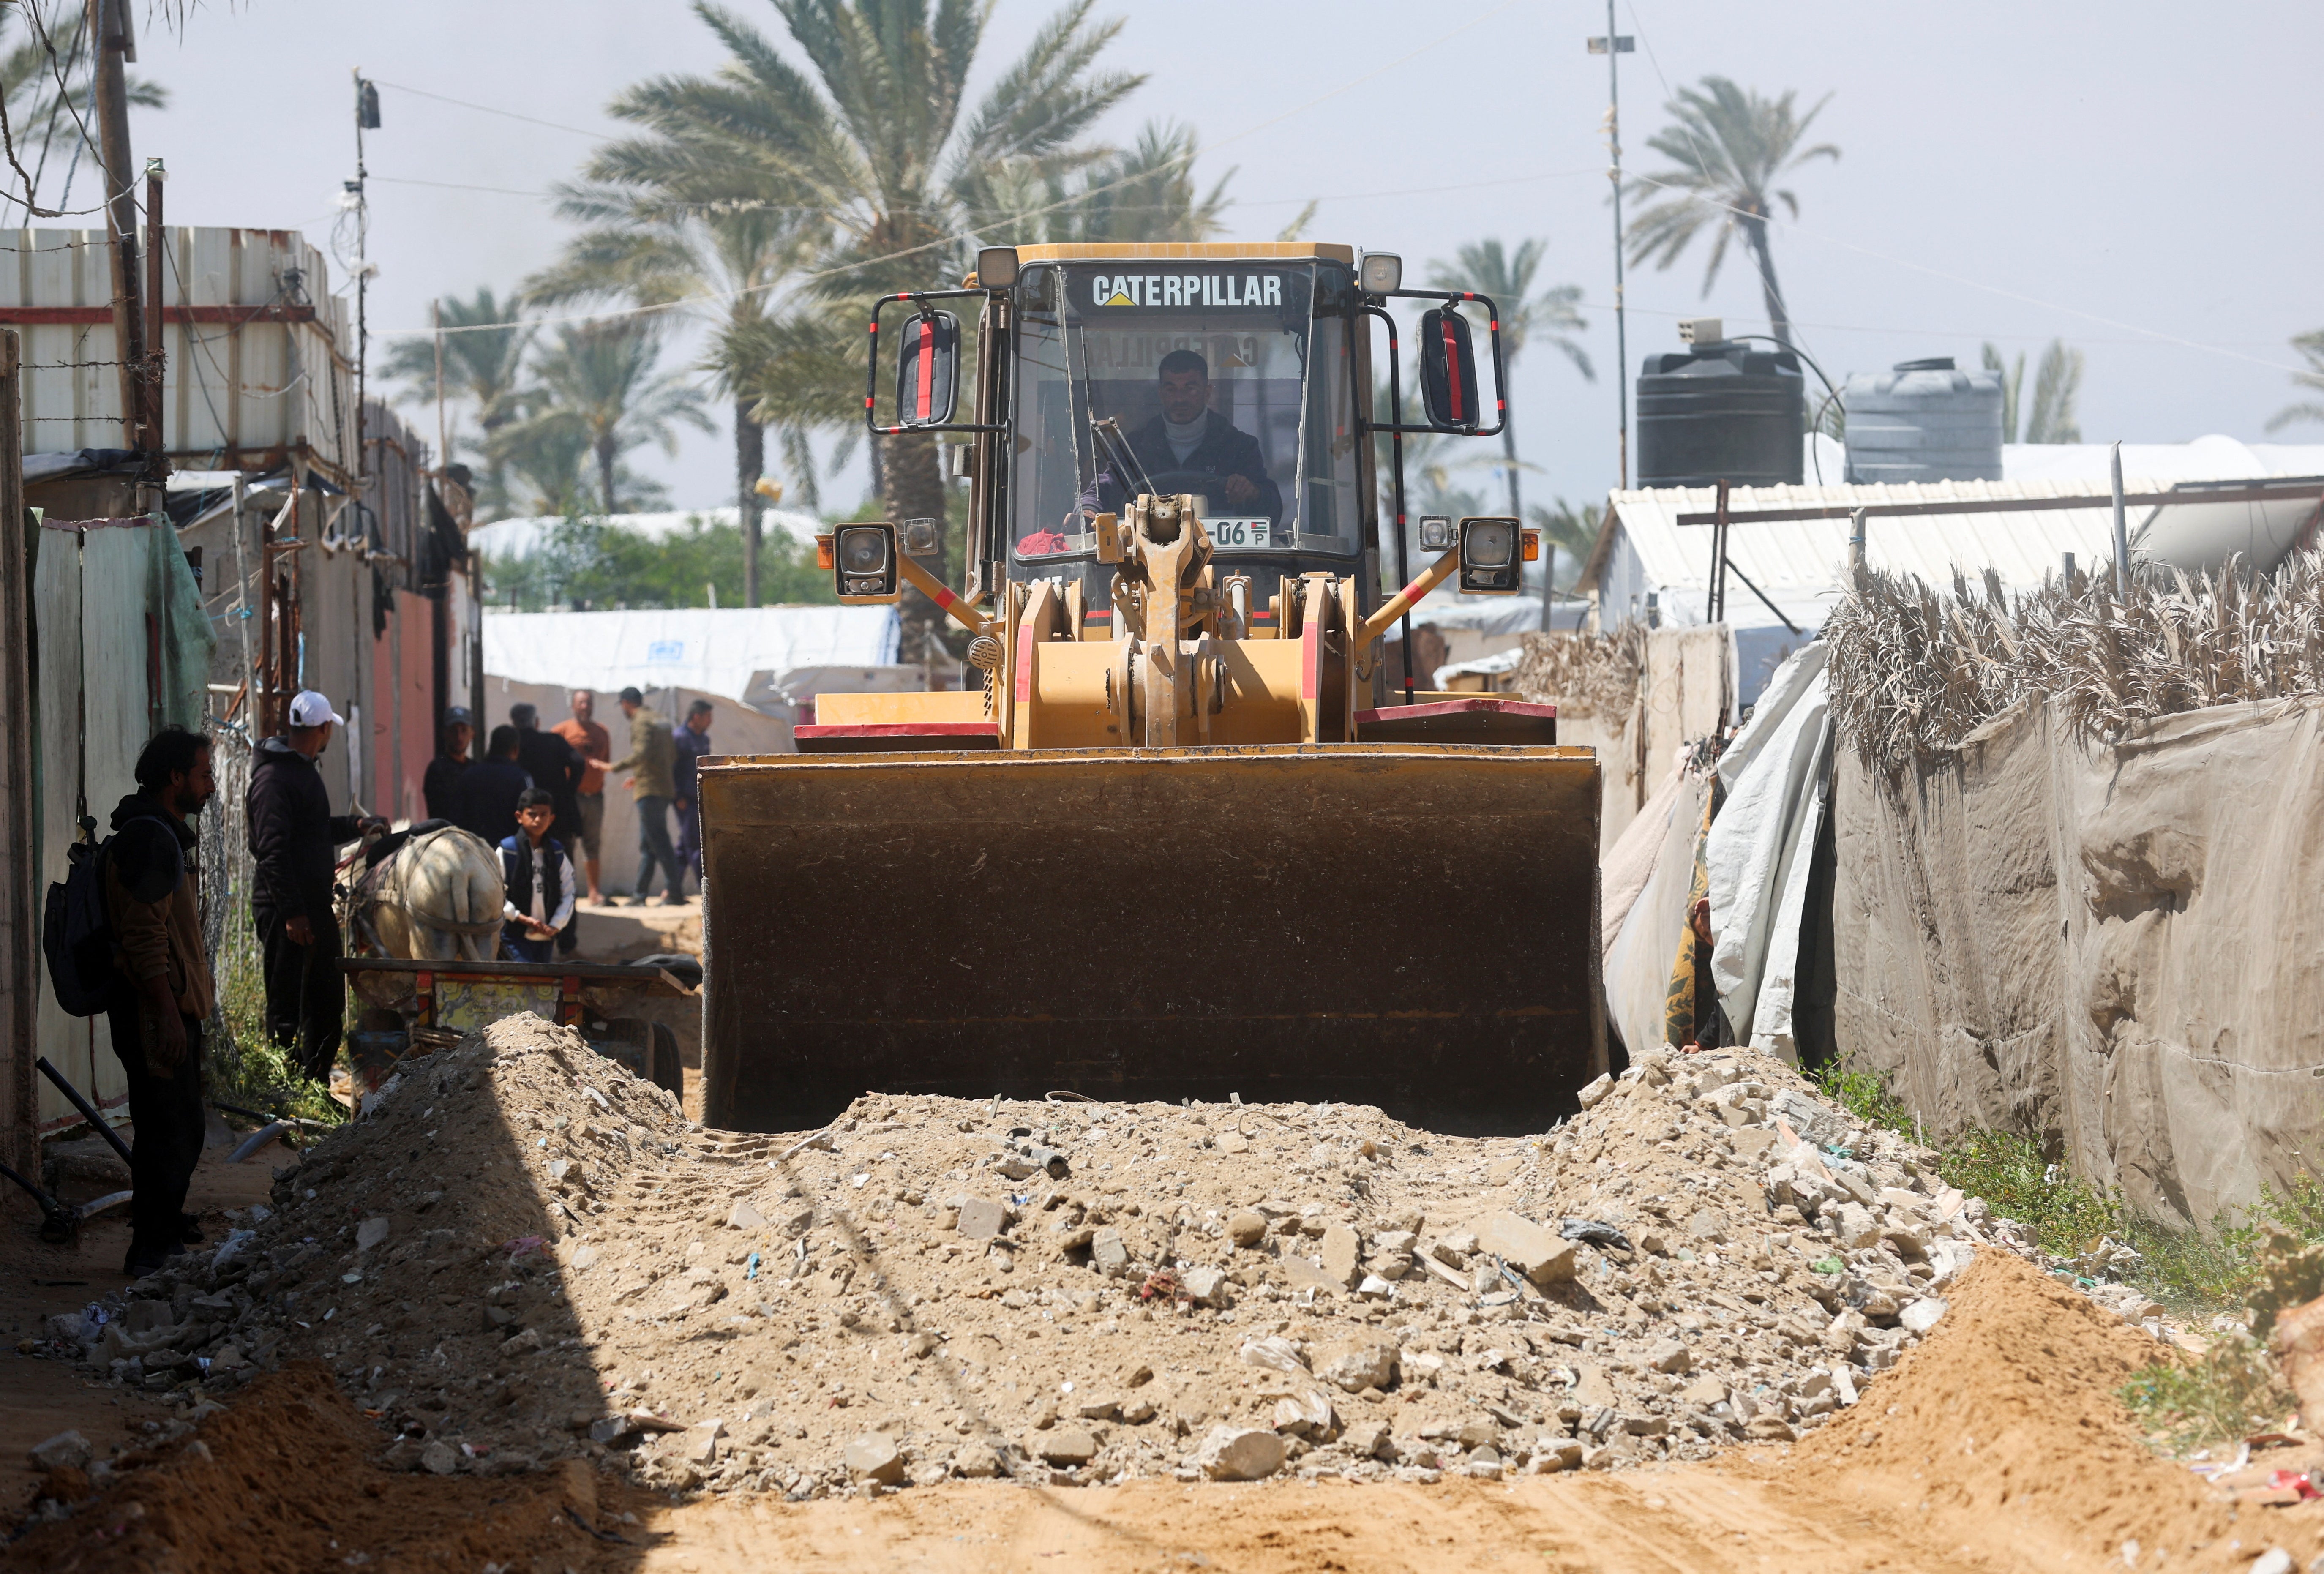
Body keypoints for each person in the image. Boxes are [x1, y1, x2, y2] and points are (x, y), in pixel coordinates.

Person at [105, 726, 217, 1278]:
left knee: (171, 1125)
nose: (211, 786)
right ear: (176, 779)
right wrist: (168, 1014)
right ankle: (152, 1251)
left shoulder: (156, 834)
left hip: (163, 1008)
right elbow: (144, 939)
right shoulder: (150, 840)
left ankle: (159, 1239)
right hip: (155, 1012)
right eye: (203, 774)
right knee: (171, 1128)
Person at [247, 691, 382, 1084]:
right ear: (323, 729)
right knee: (287, 1000)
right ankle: (284, 1087)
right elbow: (272, 852)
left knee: (324, 1001)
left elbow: (312, 832)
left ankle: (315, 1082)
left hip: (311, 907)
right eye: (329, 730)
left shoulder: (302, 771)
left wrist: (354, 827)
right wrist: (292, 913)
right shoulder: (274, 778)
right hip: (286, 911)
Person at [1064, 348, 1282, 536]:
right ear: (1161, 393)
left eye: (1190, 388)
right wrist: (1087, 509)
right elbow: (1104, 487)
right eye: (1171, 389)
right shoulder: (1135, 446)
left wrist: (1251, 492)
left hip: (1227, 563)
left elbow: (1273, 509)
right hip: (1144, 568)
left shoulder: (1240, 447)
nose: (1180, 398)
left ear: (1207, 392)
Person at [510, 701, 586, 952]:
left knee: (521, 878)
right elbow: (578, 762)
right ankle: (567, 943)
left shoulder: (515, 745)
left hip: (524, 824)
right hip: (558, 818)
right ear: (537, 722)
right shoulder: (553, 741)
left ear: (514, 724)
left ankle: (524, 938)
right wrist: (568, 790)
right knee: (564, 879)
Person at [604, 686, 683, 905]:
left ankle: (674, 893)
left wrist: (614, 767)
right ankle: (640, 894)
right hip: (663, 787)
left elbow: (642, 754)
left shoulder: (640, 721)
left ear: (627, 703)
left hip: (649, 791)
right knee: (649, 844)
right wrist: (640, 776)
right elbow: (669, 755)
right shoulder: (661, 719)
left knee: (659, 842)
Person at [498, 787, 576, 963]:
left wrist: (556, 925)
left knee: (542, 986)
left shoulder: (557, 854)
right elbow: (495, 896)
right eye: (532, 814)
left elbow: (569, 893)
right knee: (524, 982)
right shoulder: (508, 851)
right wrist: (520, 918)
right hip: (514, 937)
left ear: (552, 819)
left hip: (546, 938)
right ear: (520, 817)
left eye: (544, 815)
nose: (538, 820)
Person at [551, 689, 611, 905]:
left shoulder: (602, 732)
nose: (585, 707)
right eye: (581, 703)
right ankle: (567, 892)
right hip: (571, 798)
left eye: (588, 703)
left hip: (595, 797)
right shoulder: (561, 731)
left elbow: (606, 762)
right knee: (567, 843)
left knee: (592, 844)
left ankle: (594, 893)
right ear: (574, 706)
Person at [454, 725, 533, 848]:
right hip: (511, 853)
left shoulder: (469, 775)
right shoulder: (521, 778)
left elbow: (459, 817)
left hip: (475, 852)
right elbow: (530, 818)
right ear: (515, 750)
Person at [673, 698, 714, 887]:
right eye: (707, 717)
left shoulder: (704, 739)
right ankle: (706, 890)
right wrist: (678, 796)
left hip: (700, 797)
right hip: (685, 800)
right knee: (695, 845)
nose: (710, 721)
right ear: (696, 717)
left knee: (684, 846)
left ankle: (672, 888)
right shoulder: (679, 738)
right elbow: (671, 769)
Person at [420, 706, 474, 824]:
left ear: (472, 734)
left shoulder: (475, 768)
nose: (459, 737)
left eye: (464, 730)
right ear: (445, 733)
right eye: (454, 731)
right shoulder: (437, 770)